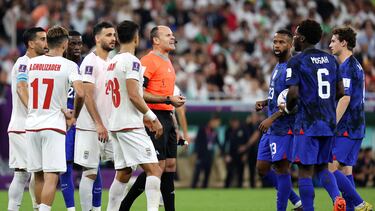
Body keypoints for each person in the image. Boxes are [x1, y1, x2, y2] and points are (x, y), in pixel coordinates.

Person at [120, 25, 185, 211]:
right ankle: (124, 205)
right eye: (168, 35)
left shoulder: (168, 61)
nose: (173, 38)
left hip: (167, 115)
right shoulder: (148, 60)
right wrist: (166, 100)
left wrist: (174, 123)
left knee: (170, 165)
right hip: (153, 116)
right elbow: (139, 92)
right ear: (156, 40)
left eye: (173, 34)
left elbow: (167, 97)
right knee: (157, 167)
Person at [284, 19, 345, 211]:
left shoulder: (296, 60)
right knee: (322, 168)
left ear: (301, 38)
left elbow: (293, 94)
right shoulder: (331, 59)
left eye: (295, 35)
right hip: (328, 122)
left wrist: (287, 107)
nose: (293, 38)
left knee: (305, 171)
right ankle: (337, 198)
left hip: (307, 122)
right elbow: (341, 91)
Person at [105, 20, 164, 211]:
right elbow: (133, 94)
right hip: (129, 125)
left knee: (123, 173)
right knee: (154, 169)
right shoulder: (132, 62)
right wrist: (152, 117)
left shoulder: (111, 62)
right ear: (136, 38)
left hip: (115, 123)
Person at [25, 25, 84, 211]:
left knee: (39, 175)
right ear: (65, 44)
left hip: (32, 124)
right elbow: (81, 93)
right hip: (53, 126)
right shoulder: (69, 65)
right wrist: (73, 115)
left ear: (47, 43)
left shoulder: (31, 63)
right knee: (52, 176)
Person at [254, 29, 302, 211]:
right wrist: (266, 102)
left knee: (282, 169)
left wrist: (271, 118)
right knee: (262, 168)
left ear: (290, 45)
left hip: (283, 127)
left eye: (281, 42)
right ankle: (298, 203)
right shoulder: (278, 66)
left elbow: (294, 99)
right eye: (275, 42)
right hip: (273, 127)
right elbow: (280, 95)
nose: (277, 45)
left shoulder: (291, 66)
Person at [328, 26, 373, 211]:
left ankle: (360, 204)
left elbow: (345, 98)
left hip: (347, 127)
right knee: (346, 171)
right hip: (356, 126)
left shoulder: (347, 67)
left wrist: (333, 123)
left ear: (343, 43)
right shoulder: (355, 65)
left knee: (327, 168)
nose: (330, 44)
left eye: (333, 41)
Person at [74, 21, 116, 211]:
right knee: (89, 172)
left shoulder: (111, 62)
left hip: (108, 126)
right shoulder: (90, 61)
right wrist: (99, 124)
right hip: (91, 127)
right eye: (108, 35)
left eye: (114, 35)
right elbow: (87, 94)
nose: (113, 38)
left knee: (123, 168)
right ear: (97, 38)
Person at [60, 30, 103, 211]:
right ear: (64, 45)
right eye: (73, 43)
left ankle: (96, 207)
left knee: (93, 167)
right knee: (65, 166)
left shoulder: (87, 64)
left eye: (79, 44)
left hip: (84, 122)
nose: (77, 47)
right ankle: (71, 209)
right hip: (66, 122)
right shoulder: (60, 65)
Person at [7, 27, 47, 211]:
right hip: (22, 126)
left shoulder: (41, 63)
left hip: (33, 126)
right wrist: (35, 111)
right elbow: (21, 89)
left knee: (33, 172)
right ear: (31, 43)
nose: (46, 43)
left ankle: (36, 207)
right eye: (42, 39)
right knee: (26, 173)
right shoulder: (23, 63)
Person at [191, 114, 221, 188]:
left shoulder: (215, 132)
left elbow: (218, 143)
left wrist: (224, 153)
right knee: (197, 173)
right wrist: (195, 153)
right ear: (212, 121)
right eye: (217, 122)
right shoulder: (202, 129)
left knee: (207, 174)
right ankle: (193, 188)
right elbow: (197, 142)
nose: (217, 124)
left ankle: (204, 189)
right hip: (201, 155)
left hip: (209, 156)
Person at [223, 118, 247, 188]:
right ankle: (226, 187)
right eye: (232, 122)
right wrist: (226, 155)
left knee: (240, 172)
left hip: (240, 155)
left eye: (235, 122)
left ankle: (240, 187)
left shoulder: (243, 130)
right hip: (231, 155)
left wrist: (245, 154)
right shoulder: (228, 130)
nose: (234, 124)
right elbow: (225, 143)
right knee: (230, 172)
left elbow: (246, 143)